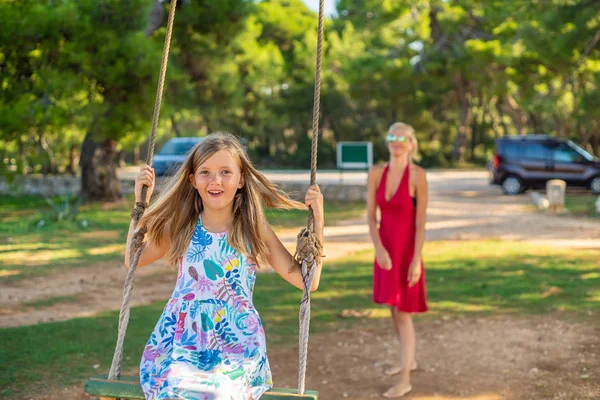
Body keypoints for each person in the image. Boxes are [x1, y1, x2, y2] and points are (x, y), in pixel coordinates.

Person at [126, 132, 325, 399]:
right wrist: (140, 205)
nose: (215, 180)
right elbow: (133, 259)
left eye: (225, 172)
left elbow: (307, 281)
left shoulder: (254, 230)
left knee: (220, 393)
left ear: (241, 179)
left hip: (235, 342)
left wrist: (319, 223)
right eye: (205, 172)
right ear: (192, 180)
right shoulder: (183, 226)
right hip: (184, 340)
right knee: (176, 391)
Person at [367, 122, 428, 398]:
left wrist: (416, 260)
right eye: (392, 136)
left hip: (406, 254)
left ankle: (405, 378)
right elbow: (370, 217)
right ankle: (409, 360)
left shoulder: (417, 176)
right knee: (392, 308)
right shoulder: (376, 173)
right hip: (385, 251)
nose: (397, 142)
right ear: (387, 141)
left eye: (403, 138)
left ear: (411, 144)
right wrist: (378, 248)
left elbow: (421, 223)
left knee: (403, 314)